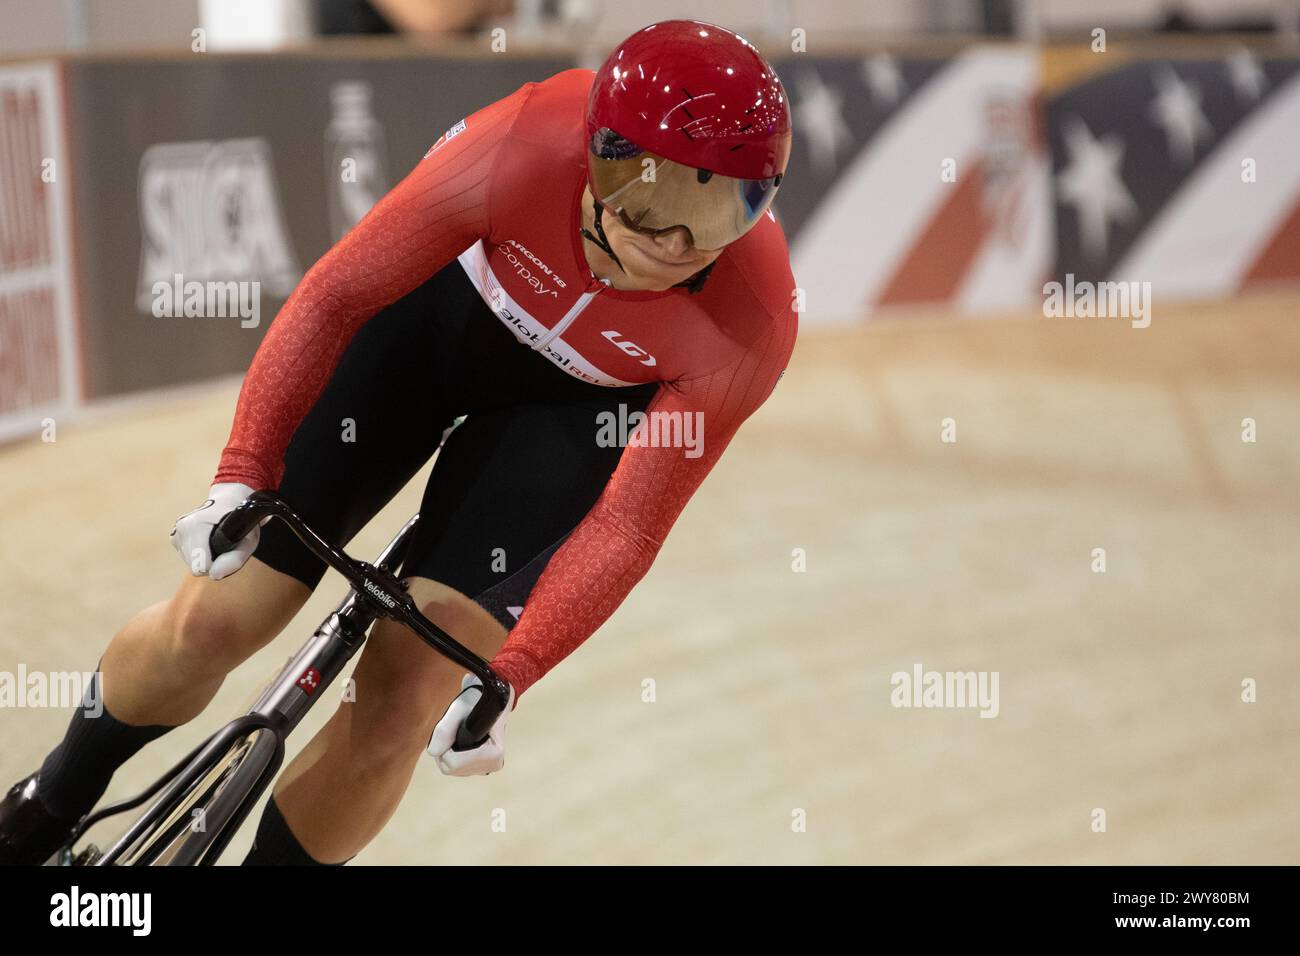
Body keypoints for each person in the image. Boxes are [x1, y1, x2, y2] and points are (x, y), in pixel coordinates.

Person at [0, 18, 796, 866]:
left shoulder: (754, 317)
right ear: (598, 158)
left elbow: (628, 528)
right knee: (218, 624)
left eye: (720, 206)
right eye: (655, 198)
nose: (675, 242)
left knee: (401, 699)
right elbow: (334, 297)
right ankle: (49, 806)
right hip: (431, 338)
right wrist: (243, 472)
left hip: (568, 420)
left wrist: (513, 672)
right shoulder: (523, 141)